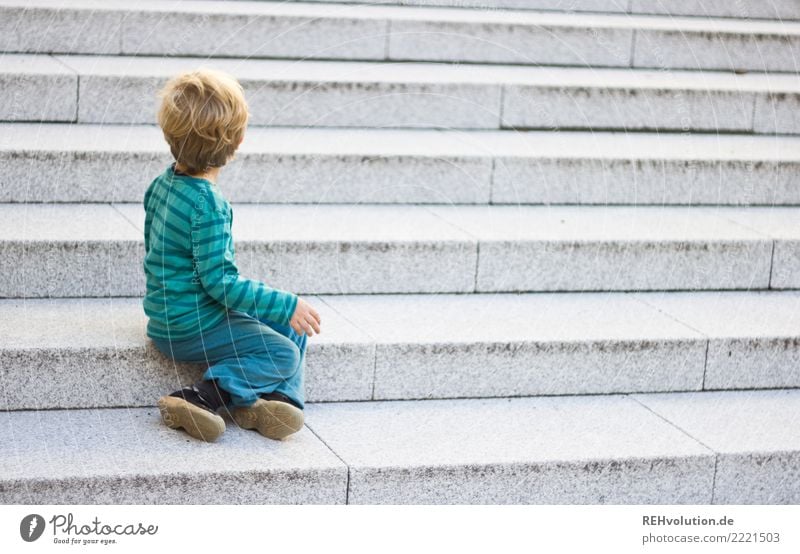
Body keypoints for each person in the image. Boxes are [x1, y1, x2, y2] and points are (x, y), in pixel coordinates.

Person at [143, 67, 321, 442]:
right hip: (190, 325)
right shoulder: (208, 205)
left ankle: (274, 400)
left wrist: (283, 312)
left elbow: (155, 249)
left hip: (169, 313)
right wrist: (285, 302)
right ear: (237, 141)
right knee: (285, 355)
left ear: (169, 133)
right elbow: (221, 284)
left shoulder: (162, 184)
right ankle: (203, 396)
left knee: (292, 327)